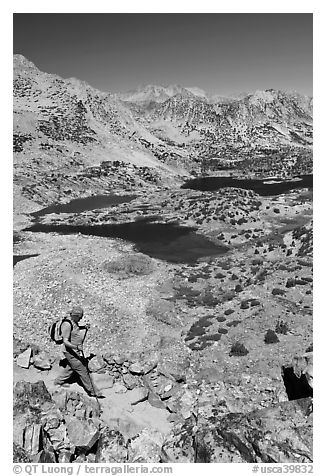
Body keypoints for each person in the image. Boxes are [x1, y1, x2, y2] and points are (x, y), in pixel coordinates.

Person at [54, 306, 105, 398]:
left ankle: (58, 381)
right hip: (70, 352)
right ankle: (93, 391)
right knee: (82, 370)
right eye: (80, 317)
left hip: (74, 351)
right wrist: (76, 346)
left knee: (72, 367)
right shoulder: (67, 324)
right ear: (75, 315)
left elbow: (75, 330)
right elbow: (65, 342)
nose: (81, 318)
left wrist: (83, 327)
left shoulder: (73, 322)